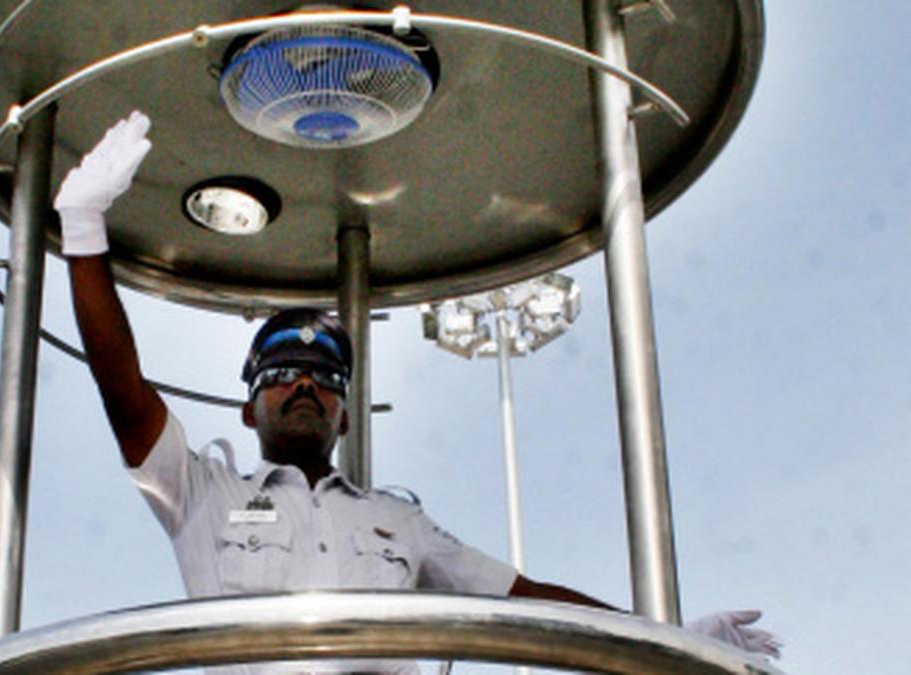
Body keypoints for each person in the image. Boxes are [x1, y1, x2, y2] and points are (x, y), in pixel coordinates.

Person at [55, 112, 782, 673]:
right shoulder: (203, 493)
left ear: (345, 410)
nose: (305, 382)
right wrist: (84, 229)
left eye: (326, 377)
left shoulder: (399, 525)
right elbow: (123, 387)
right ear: (249, 408)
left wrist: (661, 640)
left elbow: (525, 601)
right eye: (281, 371)